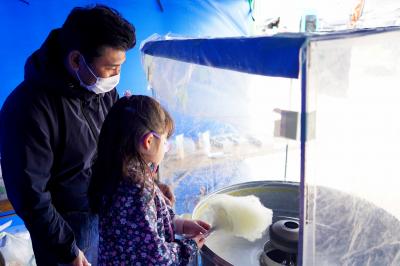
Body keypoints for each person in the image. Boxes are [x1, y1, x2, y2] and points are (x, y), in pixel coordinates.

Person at [0, 5, 135, 266]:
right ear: (76, 60)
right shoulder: (27, 109)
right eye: (111, 68)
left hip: (102, 212)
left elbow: (115, 147)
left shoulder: (102, 90)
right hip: (65, 229)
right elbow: (30, 196)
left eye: (121, 67)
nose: (117, 76)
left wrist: (143, 185)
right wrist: (67, 250)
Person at [88, 95, 211, 265]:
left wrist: (179, 224)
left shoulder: (119, 170)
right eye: (165, 141)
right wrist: (188, 247)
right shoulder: (135, 190)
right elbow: (155, 258)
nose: (166, 148)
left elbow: (146, 225)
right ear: (149, 141)